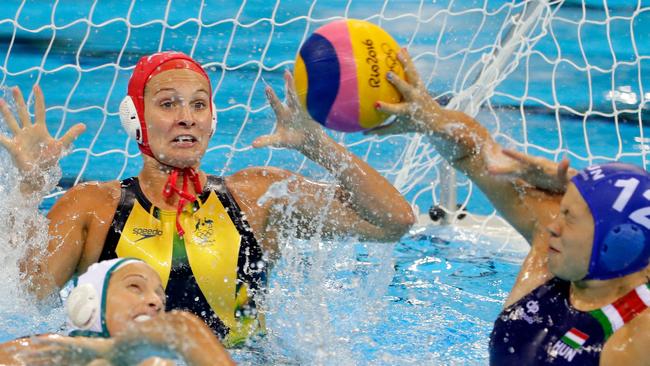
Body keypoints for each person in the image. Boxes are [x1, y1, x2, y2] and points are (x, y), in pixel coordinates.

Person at [0, 51, 415, 346]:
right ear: (135, 118)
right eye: (167, 104)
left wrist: (318, 145)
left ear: (212, 119)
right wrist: (28, 190)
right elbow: (28, 299)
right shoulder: (92, 206)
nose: (187, 116)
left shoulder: (258, 195)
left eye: (199, 104)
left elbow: (393, 221)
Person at [369, 48, 650, 365]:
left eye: (569, 218)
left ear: (616, 244)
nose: (553, 224)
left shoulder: (635, 339)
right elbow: (476, 154)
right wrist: (431, 118)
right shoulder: (548, 254)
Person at [0, 258, 235, 366]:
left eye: (160, 295)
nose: (155, 301)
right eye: (135, 286)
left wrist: (111, 349)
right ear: (88, 301)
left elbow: (184, 329)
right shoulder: (52, 352)